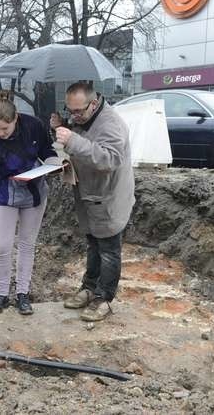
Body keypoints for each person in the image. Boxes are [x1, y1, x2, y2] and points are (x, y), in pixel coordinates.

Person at [52, 82, 135, 322]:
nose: (74, 116)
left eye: (78, 111)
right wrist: (61, 128)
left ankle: (104, 299)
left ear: (94, 103)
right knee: (93, 245)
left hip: (108, 198)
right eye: (70, 111)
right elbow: (80, 140)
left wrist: (72, 140)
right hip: (90, 196)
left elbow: (109, 159)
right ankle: (89, 288)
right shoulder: (84, 118)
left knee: (109, 251)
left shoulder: (111, 124)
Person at [0, 91, 60, 316]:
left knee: (26, 245)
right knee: (2, 246)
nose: (1, 133)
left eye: (6, 128)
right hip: (5, 194)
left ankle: (23, 294)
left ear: (16, 120)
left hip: (34, 192)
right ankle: (1, 295)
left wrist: (54, 164)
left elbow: (47, 150)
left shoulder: (33, 126)